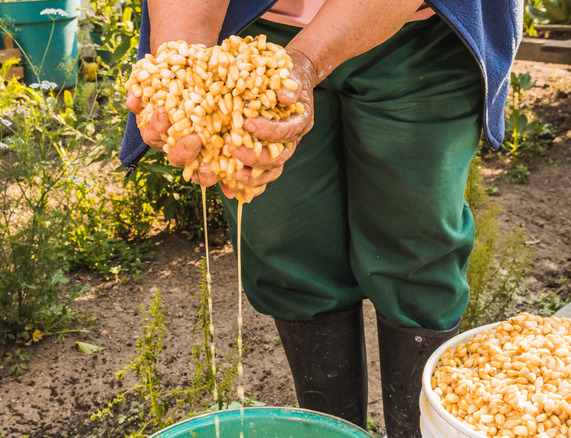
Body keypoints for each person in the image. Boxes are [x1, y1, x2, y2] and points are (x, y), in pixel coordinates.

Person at [121, 1, 523, 437]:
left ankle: (419, 429)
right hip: (252, 33)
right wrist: (181, 73)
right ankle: (332, 428)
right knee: (288, 249)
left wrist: (306, 64)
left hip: (421, 30)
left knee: (417, 250)